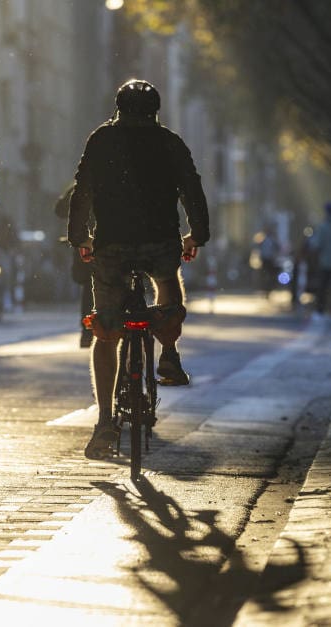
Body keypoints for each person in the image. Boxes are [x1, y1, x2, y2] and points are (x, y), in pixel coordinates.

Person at [67, 78, 210, 460]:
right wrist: (197, 234)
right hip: (160, 240)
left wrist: (79, 237)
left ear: (118, 107)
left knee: (106, 328)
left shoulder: (101, 139)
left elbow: (84, 189)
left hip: (111, 243)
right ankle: (168, 352)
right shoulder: (170, 142)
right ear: (156, 110)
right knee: (167, 281)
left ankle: (103, 422)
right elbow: (191, 189)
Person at [54, 182, 94, 348]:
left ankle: (87, 332)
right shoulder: (119, 180)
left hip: (88, 243)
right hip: (107, 243)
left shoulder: (82, 186)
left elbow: (60, 210)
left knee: (88, 286)